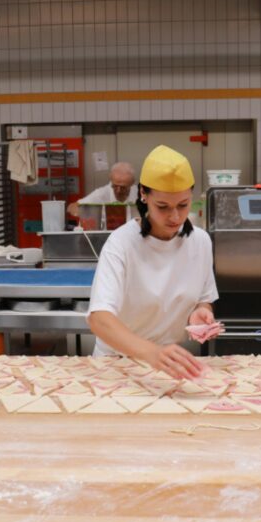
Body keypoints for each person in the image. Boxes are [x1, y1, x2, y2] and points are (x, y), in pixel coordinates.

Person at [87, 145, 219, 379]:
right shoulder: (121, 243)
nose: (175, 217)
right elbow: (99, 318)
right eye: (163, 207)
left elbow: (203, 299)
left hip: (173, 364)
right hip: (118, 364)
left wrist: (199, 313)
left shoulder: (200, 242)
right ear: (143, 196)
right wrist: (152, 353)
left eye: (183, 205)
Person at [67, 161, 138, 218]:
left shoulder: (141, 193)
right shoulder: (101, 193)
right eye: (115, 186)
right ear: (111, 180)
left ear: (131, 183)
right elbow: (72, 206)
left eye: (123, 187)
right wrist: (79, 212)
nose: (118, 190)